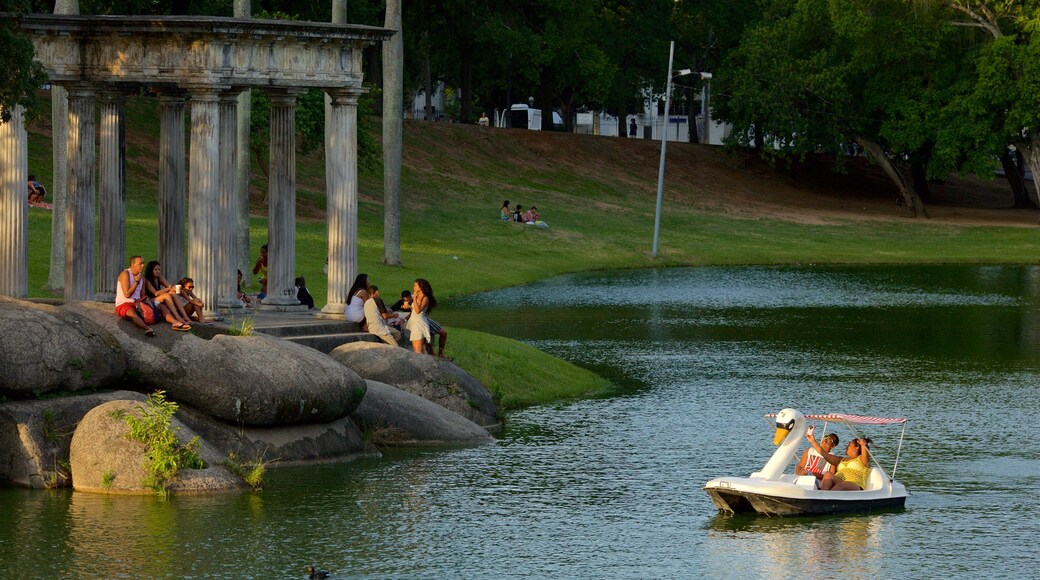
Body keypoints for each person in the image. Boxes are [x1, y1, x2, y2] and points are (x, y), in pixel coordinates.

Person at [806, 430, 873, 491]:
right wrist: (813, 441)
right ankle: (822, 495)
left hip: (854, 484)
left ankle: (826, 499)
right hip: (838, 481)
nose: (847, 447)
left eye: (850, 445)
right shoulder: (841, 459)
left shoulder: (862, 459)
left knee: (841, 485)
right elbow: (825, 455)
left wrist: (864, 445)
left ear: (857, 447)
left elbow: (865, 454)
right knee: (828, 474)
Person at [142, 260, 194, 330]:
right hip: (150, 300)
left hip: (159, 298)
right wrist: (168, 288)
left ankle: (185, 316)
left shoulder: (159, 277)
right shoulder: (147, 280)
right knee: (167, 295)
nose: (158, 271)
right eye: (155, 270)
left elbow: (169, 286)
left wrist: (175, 288)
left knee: (172, 293)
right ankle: (177, 317)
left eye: (159, 269)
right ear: (151, 270)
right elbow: (155, 293)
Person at [115, 255, 155, 336]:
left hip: (137, 303)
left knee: (160, 307)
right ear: (133, 265)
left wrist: (148, 304)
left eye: (143, 263)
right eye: (140, 264)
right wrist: (136, 282)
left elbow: (142, 295)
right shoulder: (125, 274)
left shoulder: (142, 278)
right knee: (131, 312)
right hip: (124, 303)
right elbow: (127, 294)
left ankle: (178, 322)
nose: (143, 265)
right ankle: (147, 329)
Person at [406, 278, 436, 354]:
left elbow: (417, 310)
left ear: (421, 287)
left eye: (415, 286)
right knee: (421, 349)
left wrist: (415, 298)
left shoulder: (425, 298)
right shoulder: (415, 296)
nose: (414, 288)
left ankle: (423, 365)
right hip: (414, 323)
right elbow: (408, 303)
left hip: (419, 324)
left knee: (418, 351)